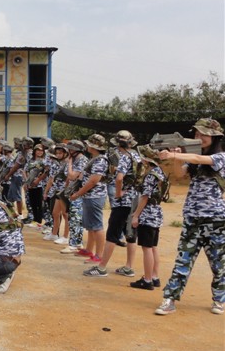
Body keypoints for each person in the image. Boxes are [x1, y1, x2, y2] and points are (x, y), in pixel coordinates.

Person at [155, 118, 225, 315]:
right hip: (192, 218)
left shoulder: (221, 157)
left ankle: (219, 300)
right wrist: (176, 156)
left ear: (215, 137)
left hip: (216, 219)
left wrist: (181, 155)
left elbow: (201, 160)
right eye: (197, 134)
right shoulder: (192, 158)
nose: (199, 137)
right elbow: (178, 175)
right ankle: (169, 299)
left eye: (204, 134)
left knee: (219, 263)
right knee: (182, 261)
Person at [84, 130, 141, 276]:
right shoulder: (136, 155)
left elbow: (119, 178)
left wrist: (117, 194)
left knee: (113, 234)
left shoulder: (123, 157)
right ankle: (128, 267)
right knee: (130, 234)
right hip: (136, 199)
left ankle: (101, 267)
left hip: (123, 201)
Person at [129, 145, 167, 290]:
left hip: (148, 214)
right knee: (153, 247)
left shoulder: (151, 175)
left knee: (146, 248)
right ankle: (155, 276)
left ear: (146, 160)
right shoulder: (160, 172)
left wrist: (136, 215)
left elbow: (144, 197)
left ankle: (147, 279)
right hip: (156, 213)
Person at [72, 134, 108, 268]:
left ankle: (98, 255)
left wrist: (78, 193)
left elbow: (94, 180)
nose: (87, 146)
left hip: (94, 196)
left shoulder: (100, 160)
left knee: (97, 226)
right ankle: (89, 250)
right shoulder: (95, 158)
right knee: (91, 225)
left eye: (89, 144)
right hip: (90, 196)